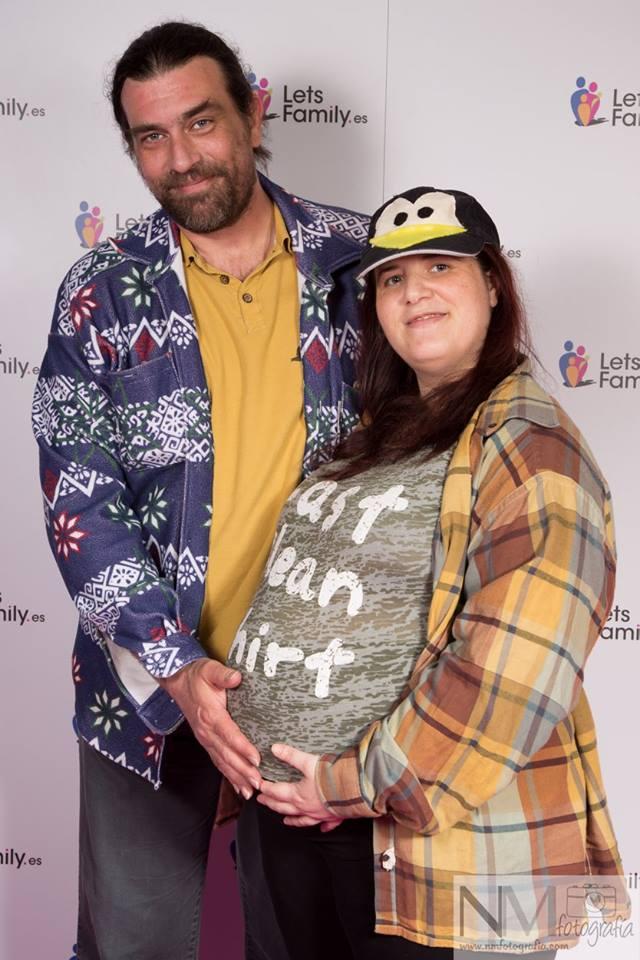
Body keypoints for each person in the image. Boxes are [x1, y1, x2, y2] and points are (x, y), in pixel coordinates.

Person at [32, 20, 368, 960]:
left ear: (253, 112)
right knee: (136, 946)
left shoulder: (356, 264)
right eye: (151, 137)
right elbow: (79, 502)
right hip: (147, 690)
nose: (181, 160)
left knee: (313, 944)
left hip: (324, 693)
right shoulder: (101, 292)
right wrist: (179, 672)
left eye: (201, 123)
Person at [226, 186, 628, 957]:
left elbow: (515, 672)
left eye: (439, 266)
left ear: (492, 284)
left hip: (434, 846)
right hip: (295, 825)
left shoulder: (531, 447)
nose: (414, 292)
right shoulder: (376, 433)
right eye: (392, 278)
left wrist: (347, 784)